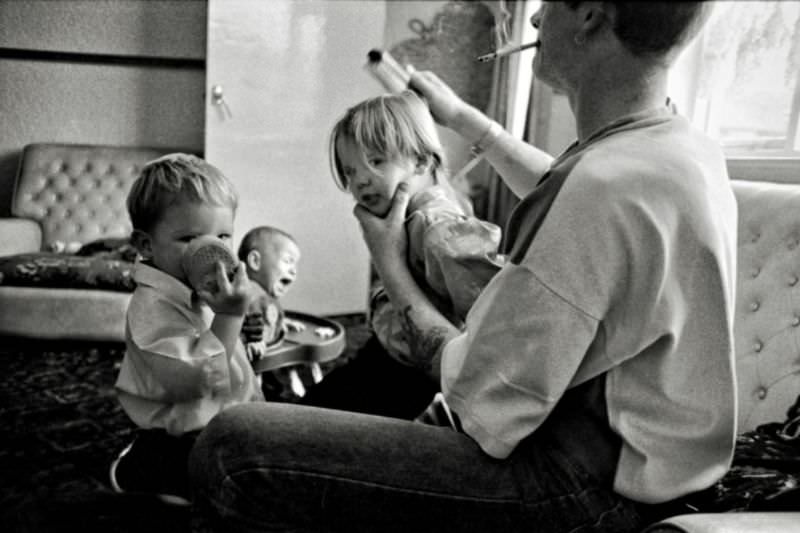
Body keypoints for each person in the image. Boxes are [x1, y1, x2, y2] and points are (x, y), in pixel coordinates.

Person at [189, 3, 737, 532]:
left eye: (548, 4)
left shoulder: (600, 192)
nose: (537, 18)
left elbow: (473, 392)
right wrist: (464, 121)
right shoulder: (675, 149)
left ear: (591, 14)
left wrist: (388, 265)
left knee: (231, 447)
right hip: (658, 473)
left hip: (581, 489)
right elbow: (568, 191)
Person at [300, 90, 505, 417]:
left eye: (376, 161)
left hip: (410, 377)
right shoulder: (400, 218)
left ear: (422, 160)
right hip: (385, 355)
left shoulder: (438, 228)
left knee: (305, 424)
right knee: (306, 410)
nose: (360, 181)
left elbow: (494, 316)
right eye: (350, 172)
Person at [111, 154, 263, 501]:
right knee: (201, 495)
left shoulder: (199, 287)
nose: (212, 250)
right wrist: (229, 317)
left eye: (223, 235)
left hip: (221, 415)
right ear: (147, 245)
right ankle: (139, 469)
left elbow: (227, 351)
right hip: (182, 434)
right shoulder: (151, 307)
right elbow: (192, 381)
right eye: (190, 238)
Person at [237, 225, 312, 397]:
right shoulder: (250, 293)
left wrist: (281, 322)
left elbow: (266, 314)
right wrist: (254, 339)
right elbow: (249, 318)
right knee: (254, 391)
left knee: (273, 386)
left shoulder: (265, 294)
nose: (294, 270)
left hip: (268, 354)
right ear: (255, 261)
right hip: (251, 358)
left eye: (295, 264)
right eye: (287, 261)